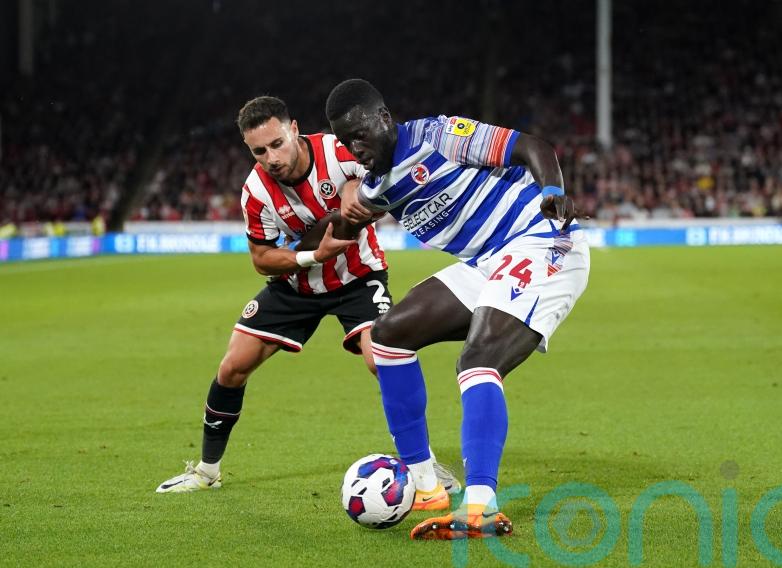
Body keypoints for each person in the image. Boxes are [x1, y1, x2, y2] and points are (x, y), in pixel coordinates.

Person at [156, 96, 459, 501]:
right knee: (232, 368)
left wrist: (354, 188)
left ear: (294, 129)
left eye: (277, 143)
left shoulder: (337, 149)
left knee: (381, 359)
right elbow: (262, 260)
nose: (271, 157)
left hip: (357, 278)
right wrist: (313, 256)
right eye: (259, 151)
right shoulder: (256, 192)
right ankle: (207, 471)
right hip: (296, 286)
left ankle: (424, 463)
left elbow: (375, 171)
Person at [325, 79, 590, 539]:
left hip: (544, 242)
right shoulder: (378, 188)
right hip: (489, 263)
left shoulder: (439, 135)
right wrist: (295, 250)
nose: (354, 147)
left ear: (384, 117)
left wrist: (551, 190)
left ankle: (481, 507)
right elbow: (341, 224)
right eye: (345, 141)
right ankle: (426, 487)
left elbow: (532, 146)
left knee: (478, 360)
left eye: (359, 134)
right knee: (387, 337)